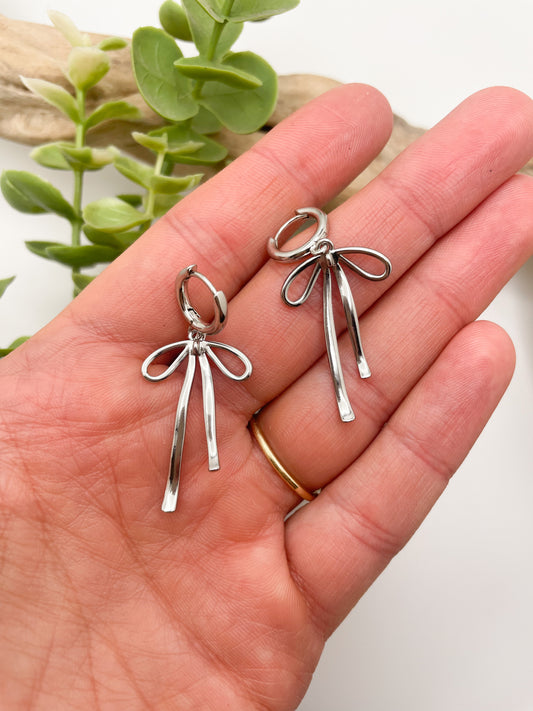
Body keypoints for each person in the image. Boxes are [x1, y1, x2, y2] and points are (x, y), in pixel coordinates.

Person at [0, 83, 532, 710]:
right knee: (197, 404)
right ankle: (206, 462)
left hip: (279, 295)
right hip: (216, 339)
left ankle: (343, 377)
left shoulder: (297, 271)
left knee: (338, 331)